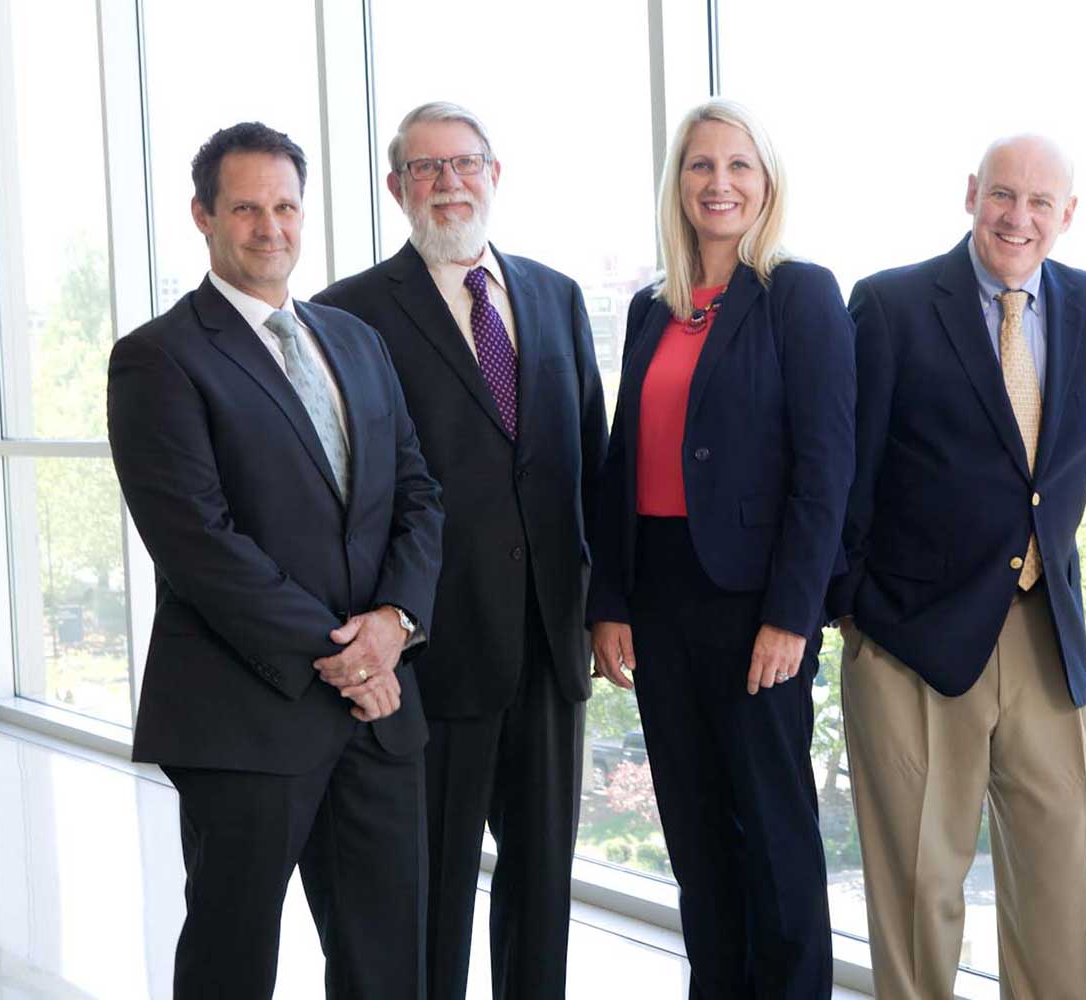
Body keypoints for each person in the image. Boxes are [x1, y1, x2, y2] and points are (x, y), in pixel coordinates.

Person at [830, 133, 1086, 999]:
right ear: (971, 193)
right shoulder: (892, 304)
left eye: (1039, 203)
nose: (1018, 217)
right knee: (917, 894)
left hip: (1045, 635)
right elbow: (845, 469)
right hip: (912, 640)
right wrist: (845, 611)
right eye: (1003, 195)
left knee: (1055, 890)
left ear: (1067, 216)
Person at [106, 122, 443, 999]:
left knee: (386, 963)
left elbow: (418, 494)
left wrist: (394, 624)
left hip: (378, 716)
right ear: (203, 217)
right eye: (246, 208)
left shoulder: (355, 340)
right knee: (231, 961)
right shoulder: (159, 359)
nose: (270, 228)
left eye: (285, 206)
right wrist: (348, 653)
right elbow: (200, 547)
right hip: (244, 717)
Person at [314, 102, 607, 1000]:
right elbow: (348, 495)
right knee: (430, 895)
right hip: (435, 651)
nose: (449, 183)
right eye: (427, 169)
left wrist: (601, 610)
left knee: (541, 890)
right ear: (397, 187)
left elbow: (586, 462)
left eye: (464, 164)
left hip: (550, 649)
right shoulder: (350, 313)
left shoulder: (555, 296)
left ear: (495, 174)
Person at [586, 98, 855, 999]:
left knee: (773, 831)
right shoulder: (648, 309)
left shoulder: (799, 293)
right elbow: (626, 460)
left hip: (755, 606)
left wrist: (793, 615)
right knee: (695, 832)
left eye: (739, 166)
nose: (720, 184)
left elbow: (826, 468)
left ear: (766, 183)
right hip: (658, 601)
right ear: (679, 184)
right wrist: (610, 600)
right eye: (702, 166)